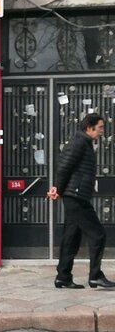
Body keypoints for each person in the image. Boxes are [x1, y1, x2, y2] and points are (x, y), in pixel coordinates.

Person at [47, 111, 115, 289]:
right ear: (89, 128)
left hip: (76, 195)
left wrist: (59, 189)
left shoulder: (84, 143)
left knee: (71, 237)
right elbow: (64, 167)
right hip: (76, 196)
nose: (102, 131)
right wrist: (58, 189)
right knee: (98, 234)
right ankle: (95, 276)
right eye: (100, 127)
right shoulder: (79, 143)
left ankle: (63, 277)